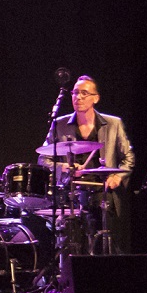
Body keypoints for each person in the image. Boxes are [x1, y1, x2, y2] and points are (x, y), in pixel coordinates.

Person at [38, 75, 134, 253]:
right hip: (71, 193)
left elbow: (128, 157)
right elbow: (43, 159)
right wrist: (64, 168)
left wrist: (118, 176)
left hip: (103, 192)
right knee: (74, 246)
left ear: (95, 98)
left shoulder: (113, 123)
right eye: (75, 93)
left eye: (84, 93)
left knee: (107, 247)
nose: (78, 97)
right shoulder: (59, 124)